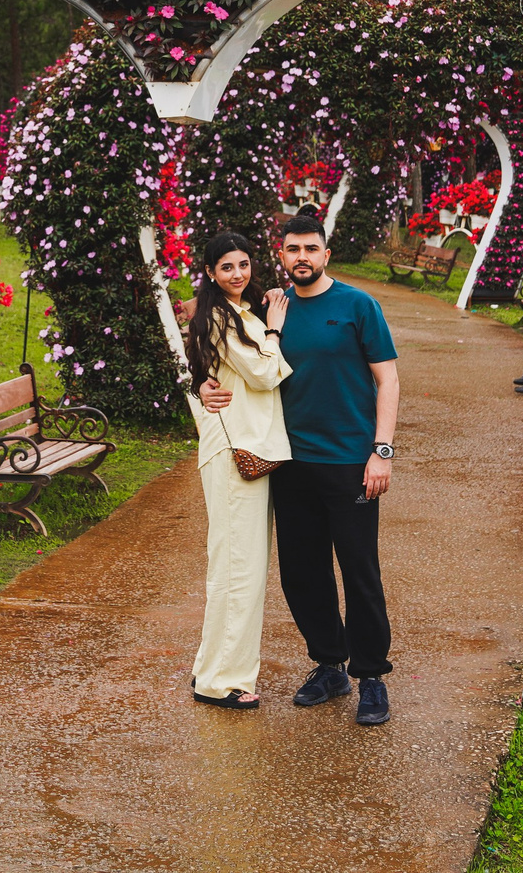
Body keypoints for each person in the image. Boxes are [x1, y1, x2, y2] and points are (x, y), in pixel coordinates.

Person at [203, 213, 398, 726]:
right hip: (287, 463)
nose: (302, 258)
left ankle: (371, 677)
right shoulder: (268, 307)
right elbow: (221, 356)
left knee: (359, 571)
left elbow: (389, 380)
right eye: (293, 250)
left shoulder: (358, 305)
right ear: (282, 255)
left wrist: (382, 451)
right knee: (302, 574)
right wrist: (202, 388)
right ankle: (329, 665)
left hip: (351, 463)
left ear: (326, 253)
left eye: (311, 249)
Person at [176, 231, 293, 709]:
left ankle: (212, 668)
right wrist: (274, 329)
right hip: (233, 451)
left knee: (237, 565)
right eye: (227, 267)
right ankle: (221, 681)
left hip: (242, 445)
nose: (238, 274)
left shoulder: (233, 312)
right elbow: (265, 373)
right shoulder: (223, 318)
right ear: (209, 272)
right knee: (237, 568)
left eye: (244, 264)